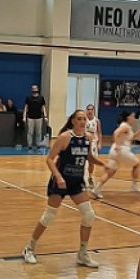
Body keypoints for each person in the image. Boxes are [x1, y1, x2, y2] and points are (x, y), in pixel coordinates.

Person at [22, 110, 104, 268]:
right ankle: (29, 248)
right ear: (73, 121)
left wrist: (104, 164)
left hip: (76, 182)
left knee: (89, 215)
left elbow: (88, 157)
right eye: (79, 119)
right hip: (60, 181)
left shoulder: (88, 138)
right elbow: (50, 160)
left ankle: (82, 254)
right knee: (49, 216)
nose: (83, 121)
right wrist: (58, 176)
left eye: (84, 119)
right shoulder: (65, 137)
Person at [92, 111, 140, 198]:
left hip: (114, 151)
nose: (134, 119)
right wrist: (117, 144)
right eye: (133, 117)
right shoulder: (125, 126)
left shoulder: (126, 127)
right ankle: (134, 185)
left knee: (110, 172)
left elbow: (131, 138)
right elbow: (116, 133)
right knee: (137, 165)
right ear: (128, 118)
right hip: (122, 150)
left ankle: (97, 189)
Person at [23, 84, 47, 151]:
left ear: (37, 89)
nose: (34, 90)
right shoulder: (28, 98)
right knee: (30, 132)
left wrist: (45, 116)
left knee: (38, 132)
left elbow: (43, 108)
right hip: (30, 118)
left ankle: (38, 145)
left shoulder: (41, 98)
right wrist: (24, 117)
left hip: (39, 118)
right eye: (33, 89)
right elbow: (26, 108)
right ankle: (29, 145)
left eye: (35, 88)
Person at [84, 104, 103, 188]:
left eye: (91, 109)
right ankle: (81, 179)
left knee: (91, 161)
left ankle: (90, 177)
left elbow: (99, 133)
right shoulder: (84, 120)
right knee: (82, 161)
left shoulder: (97, 121)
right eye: (88, 109)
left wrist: (100, 143)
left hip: (93, 143)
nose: (90, 111)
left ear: (94, 110)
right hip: (84, 142)